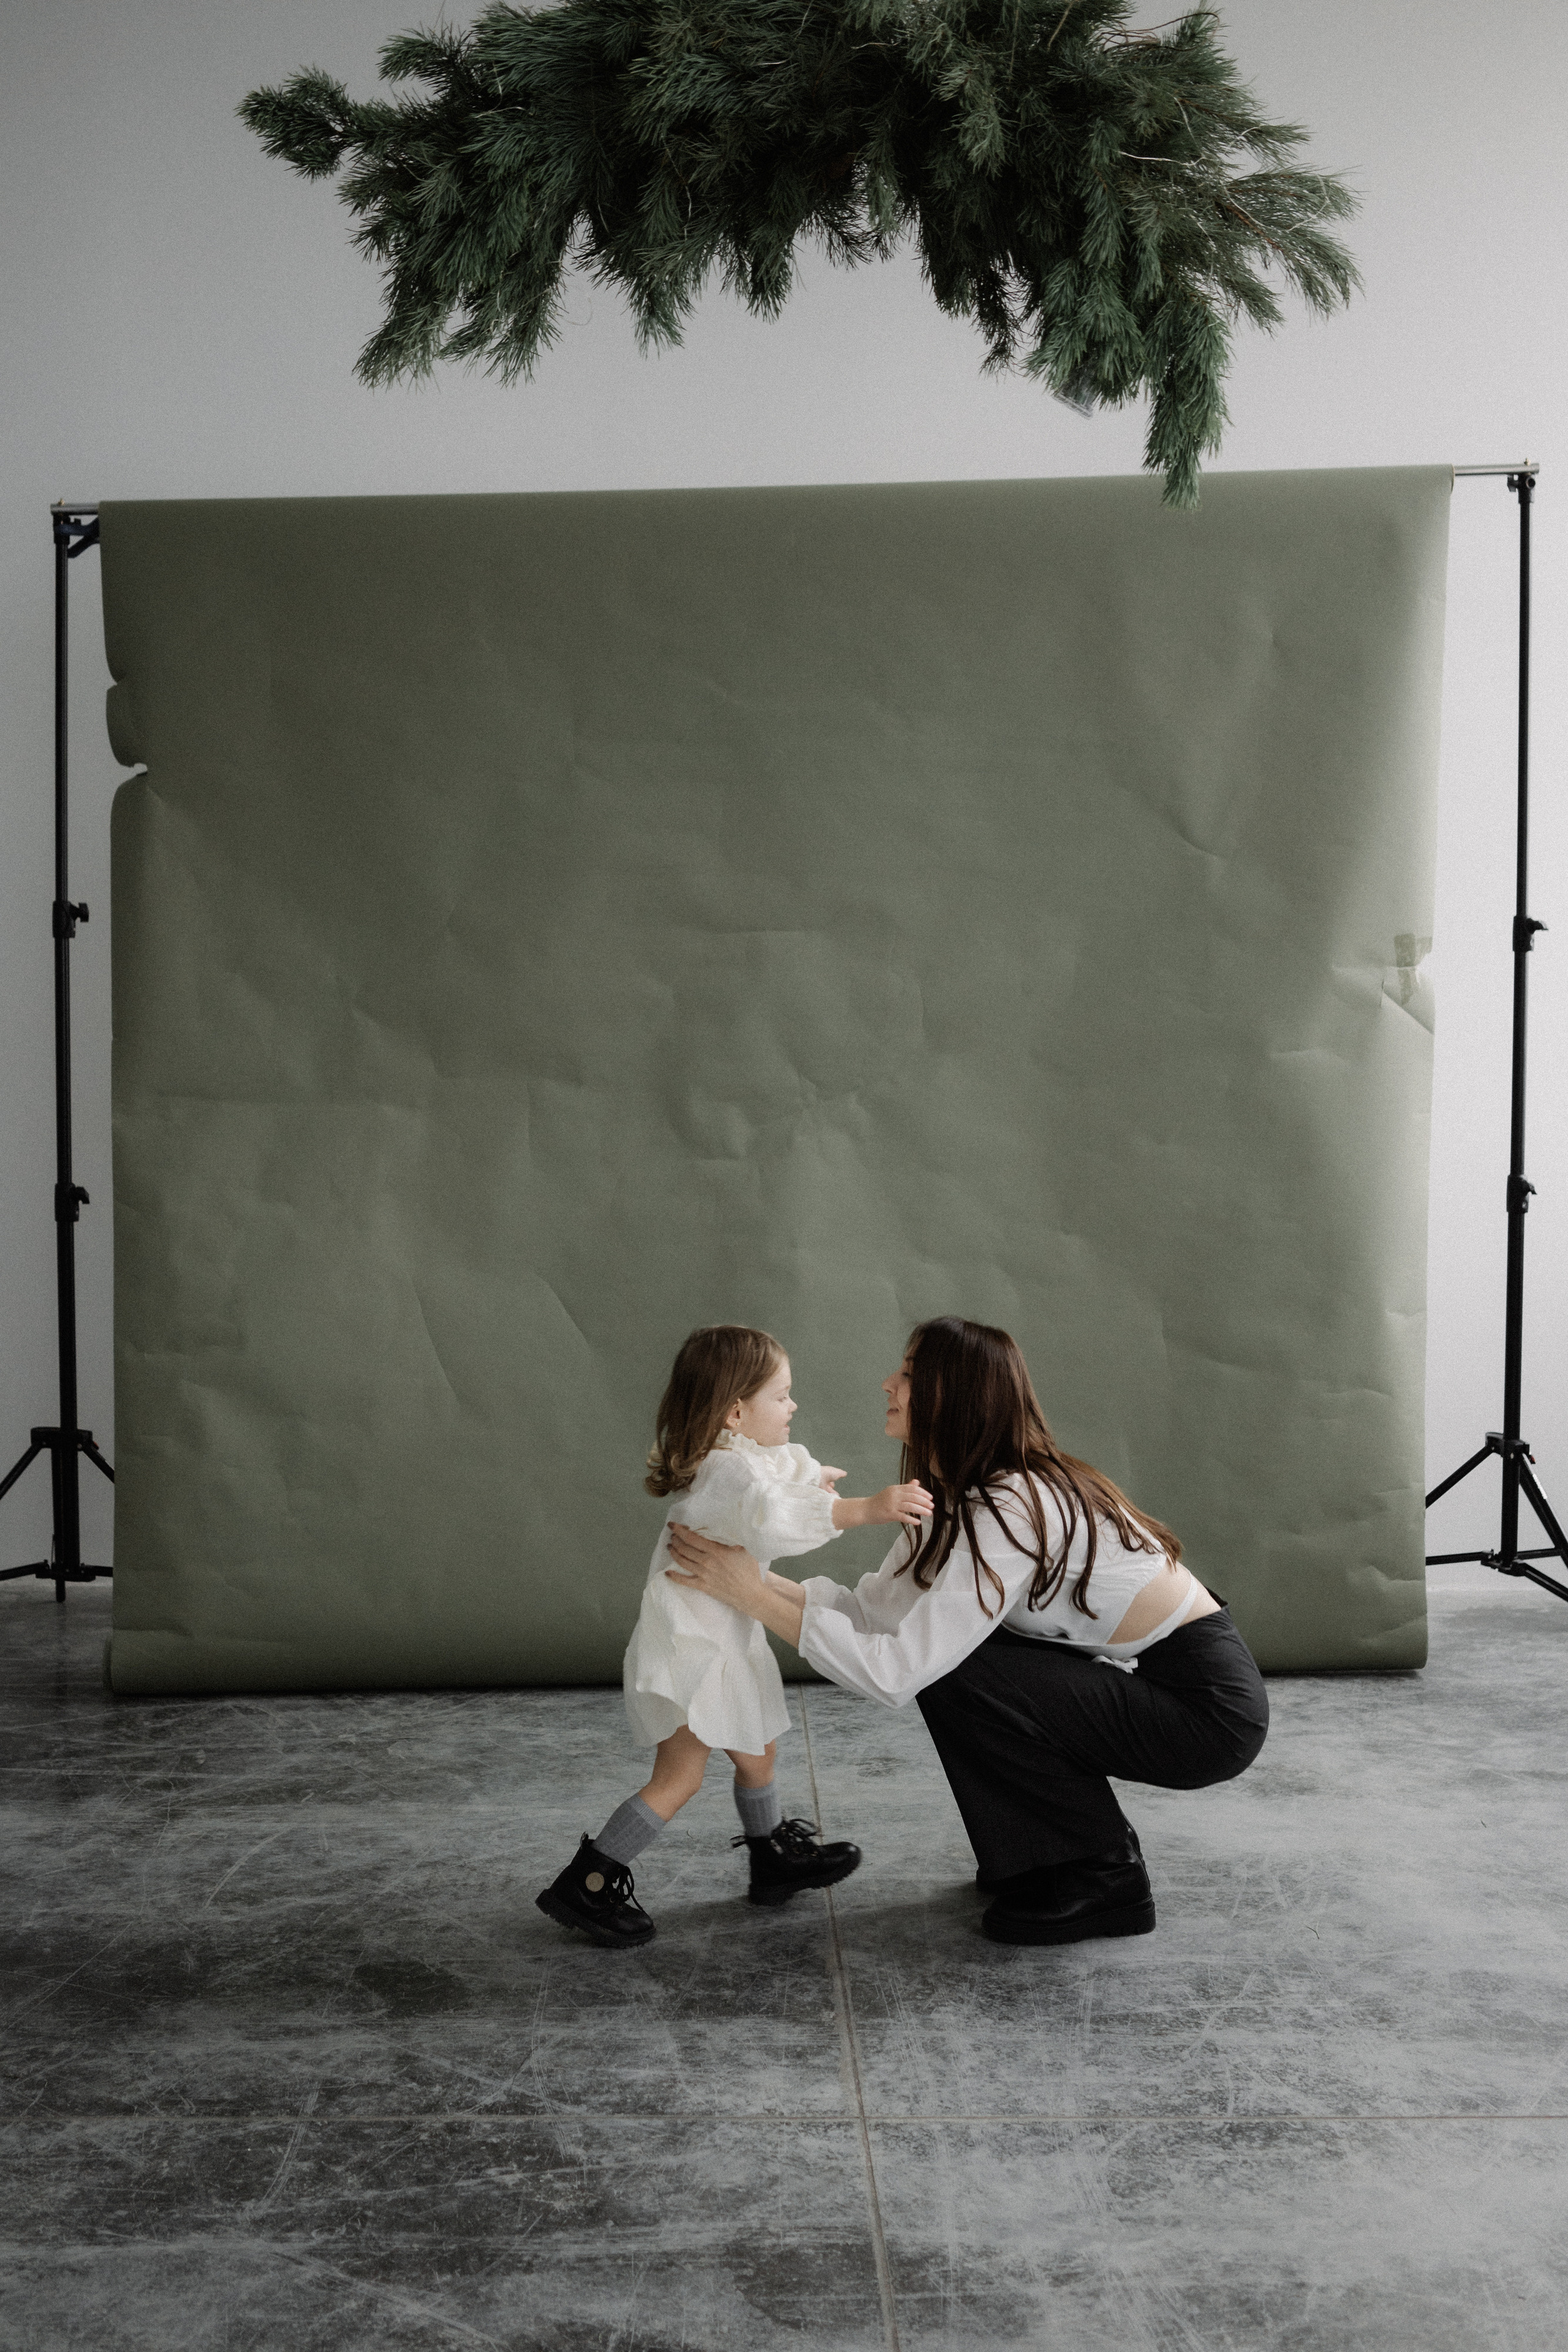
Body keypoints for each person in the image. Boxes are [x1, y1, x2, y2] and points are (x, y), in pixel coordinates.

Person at [663, 1317, 1270, 1947]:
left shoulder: (1008, 1509)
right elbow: (879, 1613)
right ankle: (1038, 1860)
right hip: (1163, 1685)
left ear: (948, 1395)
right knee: (952, 1658)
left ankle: (1104, 1877)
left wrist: (752, 1594)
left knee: (960, 1667)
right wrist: (747, 1579)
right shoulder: (958, 1495)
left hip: (1208, 1713)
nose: (886, 1383)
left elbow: (894, 1671)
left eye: (906, 1374)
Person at [536, 1323, 933, 1950]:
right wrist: (861, 1508)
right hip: (694, 1649)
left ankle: (771, 1856)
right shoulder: (724, 1473)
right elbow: (771, 1514)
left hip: (724, 1636)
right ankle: (587, 1882)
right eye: (781, 1396)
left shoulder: (746, 1457)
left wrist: (814, 1482)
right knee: (680, 1777)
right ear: (735, 1411)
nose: (793, 1405)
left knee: (758, 1752)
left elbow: (785, 1475)